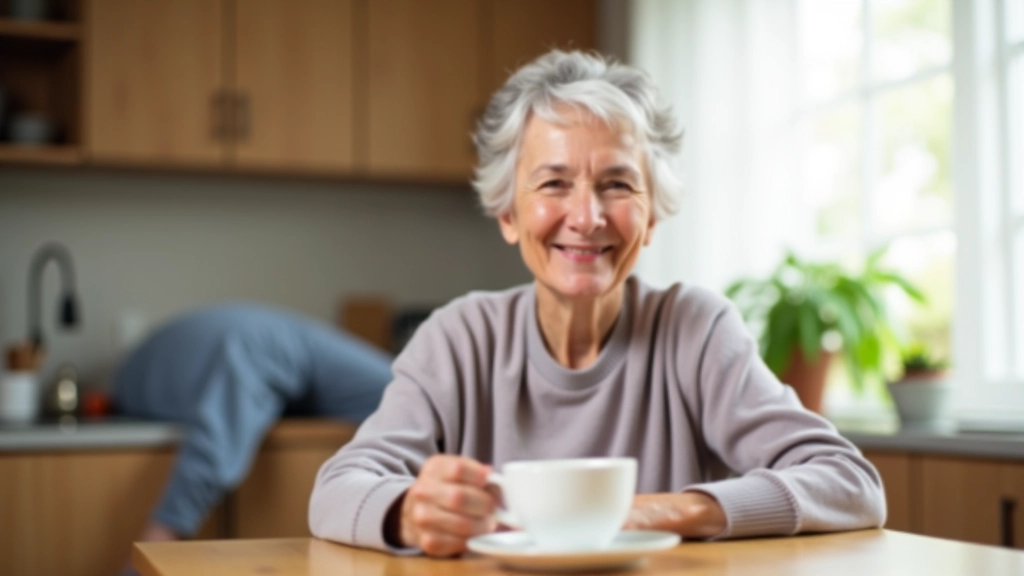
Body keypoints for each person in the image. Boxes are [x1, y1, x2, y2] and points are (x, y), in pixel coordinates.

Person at [308, 50, 885, 557]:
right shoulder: (458, 336)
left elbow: (850, 483)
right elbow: (337, 490)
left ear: (652, 216)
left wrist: (650, 512)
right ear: (508, 214)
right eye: (554, 184)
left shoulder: (696, 329)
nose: (586, 218)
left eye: (617, 184)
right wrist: (407, 512)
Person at [112, 303, 392, 548]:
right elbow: (215, 440)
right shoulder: (254, 345)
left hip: (161, 364)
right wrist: (160, 537)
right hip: (251, 343)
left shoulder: (147, 368)